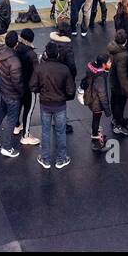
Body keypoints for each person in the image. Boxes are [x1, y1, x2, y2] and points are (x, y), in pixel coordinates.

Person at [32, 40, 76, 168]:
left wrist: (40, 91)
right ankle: (61, 158)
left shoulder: (40, 68)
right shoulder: (64, 69)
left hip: (45, 104)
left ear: (46, 54)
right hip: (60, 105)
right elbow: (70, 90)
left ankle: (45, 159)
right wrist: (64, 96)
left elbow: (32, 85)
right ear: (57, 54)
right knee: (60, 131)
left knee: (45, 131)